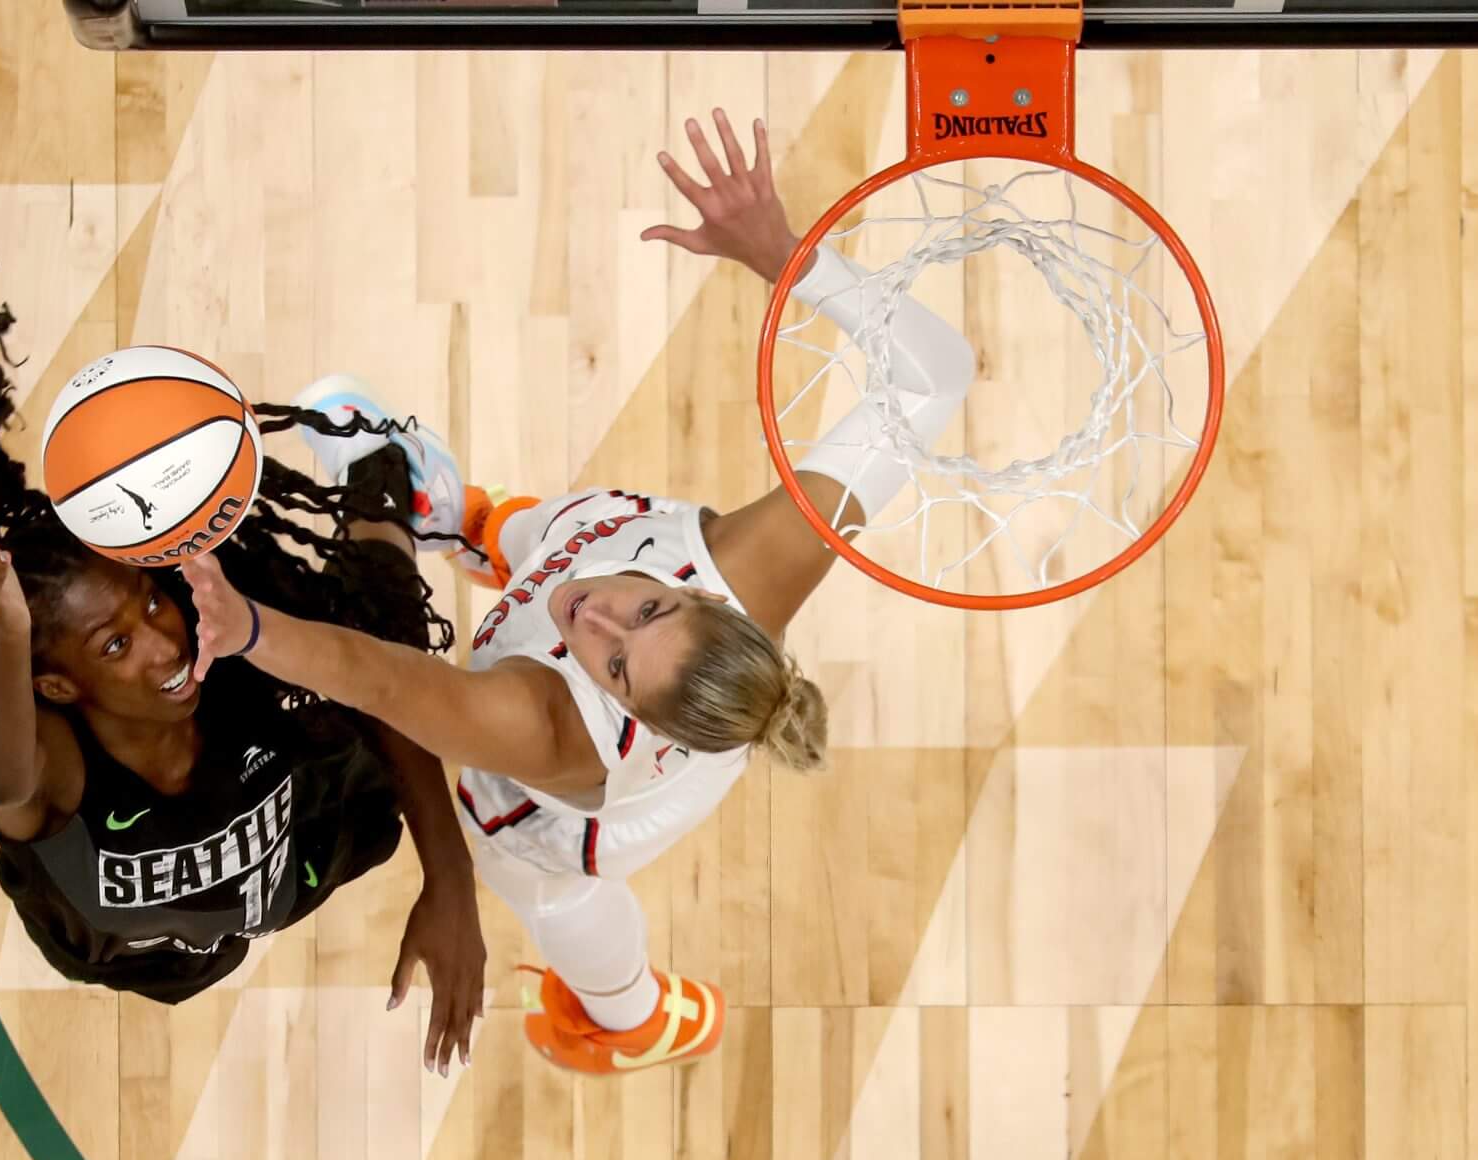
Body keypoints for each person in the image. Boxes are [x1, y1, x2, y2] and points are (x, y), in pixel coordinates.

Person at [177, 108, 974, 1076]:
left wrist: (246, 625)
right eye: (649, 608)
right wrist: (786, 258)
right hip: (707, 693)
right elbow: (937, 378)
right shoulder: (755, 562)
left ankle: (630, 1021)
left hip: (576, 817)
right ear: (711, 600)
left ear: (622, 703)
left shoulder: (543, 726)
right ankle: (465, 521)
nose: (593, 616)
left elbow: (377, 678)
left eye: (613, 662)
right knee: (553, 538)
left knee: (554, 891)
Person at [0, 257, 488, 1073]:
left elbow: (384, 686)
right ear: (59, 684)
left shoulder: (226, 647)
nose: (164, 643)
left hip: (309, 839)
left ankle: (382, 470)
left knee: (376, 633)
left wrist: (450, 879)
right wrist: (4, 626)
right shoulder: (56, 766)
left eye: (151, 603)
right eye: (115, 646)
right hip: (145, 947)